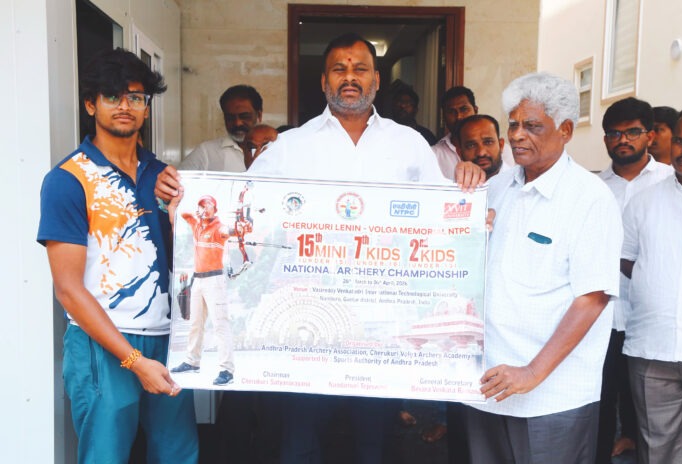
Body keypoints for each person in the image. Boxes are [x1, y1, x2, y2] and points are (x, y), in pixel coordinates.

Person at [157, 32, 486, 464]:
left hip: (381, 328)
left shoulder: (409, 144)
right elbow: (245, 207)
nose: (350, 78)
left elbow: (443, 217)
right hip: (306, 329)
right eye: (339, 69)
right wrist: (182, 202)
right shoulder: (291, 145)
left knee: (374, 445)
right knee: (300, 443)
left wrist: (466, 187)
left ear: (376, 80)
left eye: (360, 69)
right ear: (323, 81)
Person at [36, 48, 198, 463]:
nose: (124, 106)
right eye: (112, 96)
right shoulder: (69, 179)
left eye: (135, 97)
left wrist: (178, 218)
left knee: (178, 455)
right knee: (104, 457)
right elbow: (68, 290)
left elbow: (191, 263)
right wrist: (134, 360)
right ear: (91, 105)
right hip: (103, 343)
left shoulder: (164, 177)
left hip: (168, 337)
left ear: (146, 108)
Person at [460, 72, 623, 463]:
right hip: (486, 386)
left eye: (532, 126)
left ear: (565, 130)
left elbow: (592, 298)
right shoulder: (496, 189)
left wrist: (532, 372)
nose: (518, 135)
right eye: (513, 124)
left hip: (551, 397)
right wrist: (462, 201)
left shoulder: (589, 198)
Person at [595, 97, 673, 464]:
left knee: (653, 413)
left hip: (654, 315)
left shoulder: (671, 182)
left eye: (632, 132)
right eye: (614, 133)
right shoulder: (594, 187)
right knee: (600, 399)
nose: (622, 139)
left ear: (650, 136)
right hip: (603, 314)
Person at [620, 106, 682, 464]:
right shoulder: (644, 201)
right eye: (680, 141)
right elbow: (626, 259)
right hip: (652, 350)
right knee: (659, 452)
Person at [171, 194, 247, 385]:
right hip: (198, 280)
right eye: (202, 205)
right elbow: (183, 213)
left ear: (215, 209)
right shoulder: (196, 224)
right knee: (195, 323)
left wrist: (241, 227)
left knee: (220, 325)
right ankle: (192, 361)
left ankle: (227, 370)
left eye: (208, 206)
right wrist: (198, 211)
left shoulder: (219, 228)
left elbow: (232, 231)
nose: (205, 208)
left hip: (214, 281)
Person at [179, 84, 263, 171]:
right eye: (230, 118)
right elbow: (179, 178)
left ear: (259, 115)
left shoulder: (271, 150)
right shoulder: (207, 152)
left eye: (244, 116)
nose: (237, 123)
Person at [432, 86, 479, 180]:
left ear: (476, 110)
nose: (459, 117)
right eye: (451, 112)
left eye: (464, 109)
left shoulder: (498, 150)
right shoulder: (434, 154)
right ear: (444, 117)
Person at [455, 114, 507, 179]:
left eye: (488, 142)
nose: (481, 153)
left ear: (501, 145)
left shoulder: (517, 182)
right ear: (459, 152)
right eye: (471, 145)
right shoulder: (451, 183)